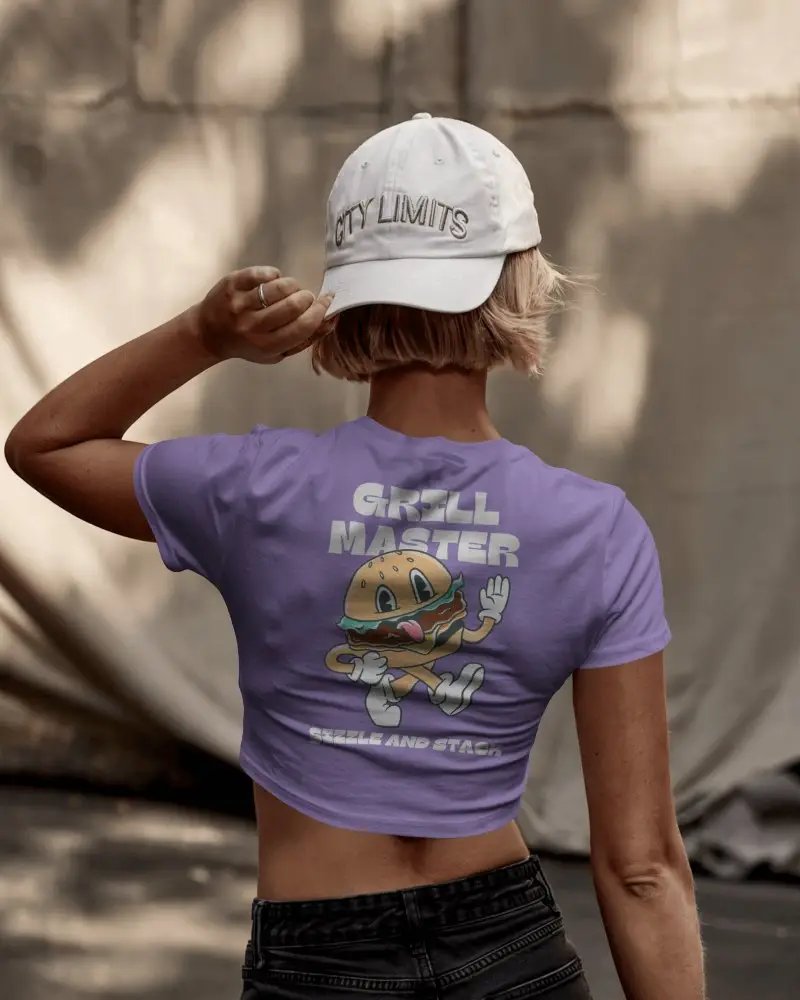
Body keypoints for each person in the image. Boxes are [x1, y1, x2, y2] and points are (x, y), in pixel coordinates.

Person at [5, 113, 706, 1000]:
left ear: (343, 295)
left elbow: (46, 446)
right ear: (518, 281)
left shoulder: (258, 487)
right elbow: (642, 867)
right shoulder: (597, 529)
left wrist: (202, 334)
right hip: (510, 951)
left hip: (316, 962)